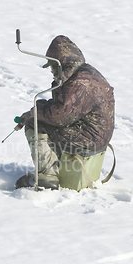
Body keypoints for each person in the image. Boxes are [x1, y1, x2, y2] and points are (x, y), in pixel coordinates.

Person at [16, 35, 115, 189]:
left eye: (53, 66)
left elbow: (60, 116)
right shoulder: (85, 73)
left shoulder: (80, 82)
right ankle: (58, 167)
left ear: (61, 63)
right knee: (42, 115)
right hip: (95, 133)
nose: (51, 70)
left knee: (34, 124)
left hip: (89, 137)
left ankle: (47, 176)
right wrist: (40, 107)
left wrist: (33, 114)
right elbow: (66, 107)